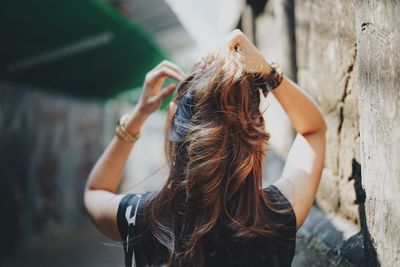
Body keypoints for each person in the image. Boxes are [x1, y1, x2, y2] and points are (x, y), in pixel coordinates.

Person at [84, 29, 326, 266]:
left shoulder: (142, 217)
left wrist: (138, 116)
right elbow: (312, 130)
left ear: (173, 121)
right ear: (255, 141)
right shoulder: (275, 217)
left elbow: (94, 191)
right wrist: (269, 72)